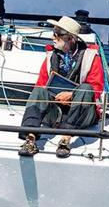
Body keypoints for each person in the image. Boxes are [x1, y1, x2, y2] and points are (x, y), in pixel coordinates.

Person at [17, 16, 104, 158]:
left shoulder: (91, 57)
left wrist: (71, 95)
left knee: (86, 88)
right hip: (55, 113)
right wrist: (55, 97)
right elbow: (41, 84)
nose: (53, 37)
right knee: (39, 90)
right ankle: (30, 139)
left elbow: (97, 88)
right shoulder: (51, 56)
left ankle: (65, 139)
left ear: (70, 38)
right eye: (53, 33)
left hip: (82, 113)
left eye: (58, 34)